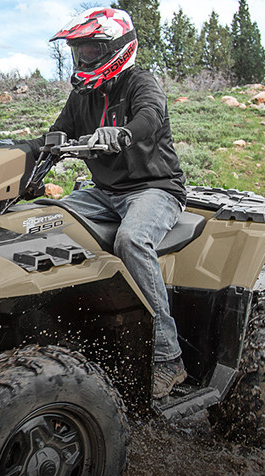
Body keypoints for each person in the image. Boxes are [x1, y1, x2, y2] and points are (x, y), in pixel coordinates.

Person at [28, 7, 188, 399]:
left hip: (155, 189)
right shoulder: (80, 97)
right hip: (102, 193)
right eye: (78, 51)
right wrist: (22, 155)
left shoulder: (141, 83)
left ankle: (169, 358)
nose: (83, 57)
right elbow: (55, 136)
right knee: (39, 223)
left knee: (131, 240)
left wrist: (123, 134)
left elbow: (150, 117)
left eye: (90, 50)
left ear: (115, 48)